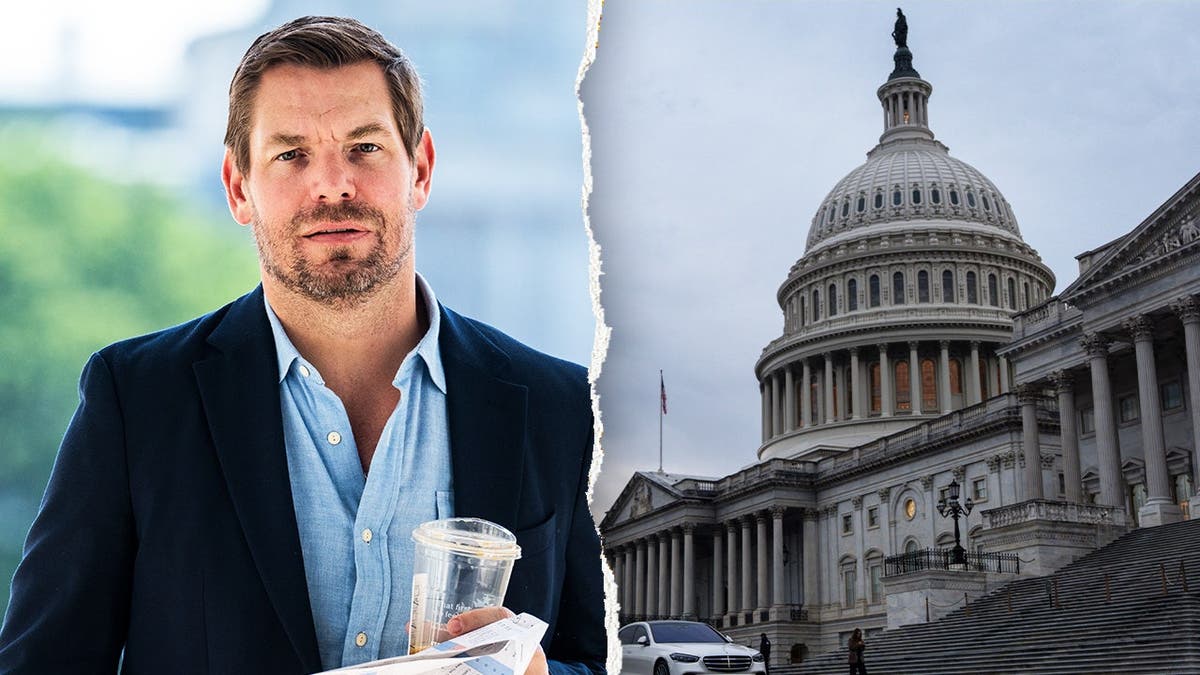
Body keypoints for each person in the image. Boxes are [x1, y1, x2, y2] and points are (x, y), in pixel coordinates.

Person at [0, 16, 604, 675]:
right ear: (239, 187)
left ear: (421, 169)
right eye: (291, 154)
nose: (332, 184)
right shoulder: (138, 400)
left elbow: (600, 657)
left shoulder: (560, 407)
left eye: (365, 148)